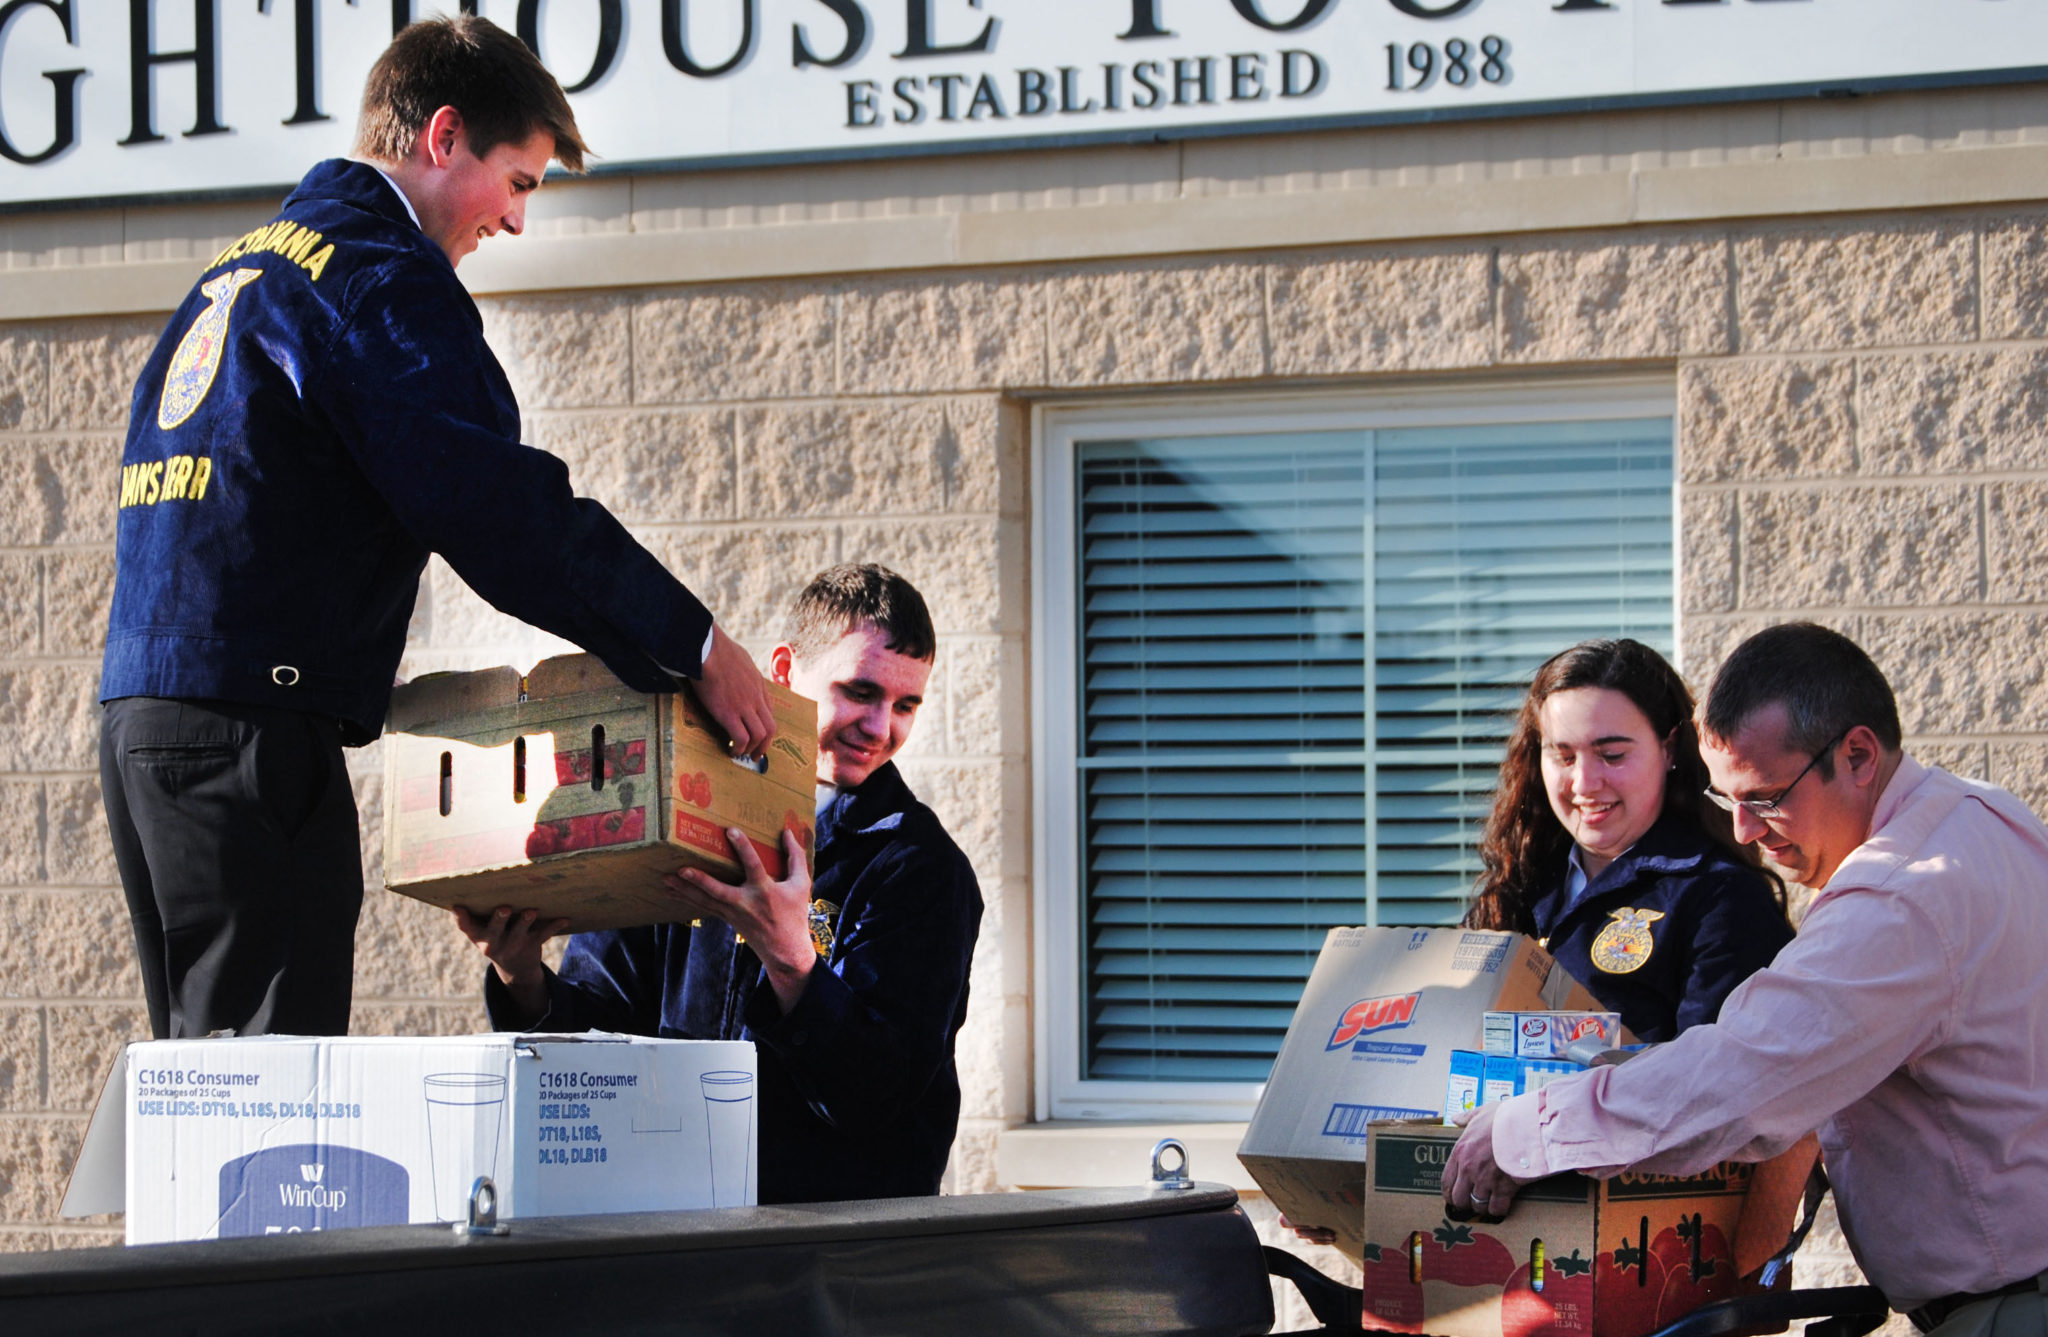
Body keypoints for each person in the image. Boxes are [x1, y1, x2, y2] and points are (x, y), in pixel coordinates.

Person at [97, 16, 775, 1043]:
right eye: (519, 182)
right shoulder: (378, 276)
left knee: (208, 1081)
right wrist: (694, 645)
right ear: (443, 135)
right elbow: (502, 513)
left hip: (148, 724)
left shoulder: (243, 272)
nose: (511, 221)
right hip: (252, 738)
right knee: (267, 1111)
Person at [1443, 623, 2048, 1335]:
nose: (1746, 831)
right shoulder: (1987, 817)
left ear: (1858, 753)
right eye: (1730, 799)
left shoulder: (1897, 896)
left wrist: (1527, 1131)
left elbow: (1738, 1083)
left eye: (1763, 797)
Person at [462, 564, 985, 1205]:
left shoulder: (920, 868)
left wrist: (793, 963)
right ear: (785, 672)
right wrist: (522, 975)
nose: (881, 728)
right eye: (860, 691)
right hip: (676, 1234)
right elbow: (601, 1040)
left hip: (840, 1265)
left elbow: (881, 1101)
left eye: (906, 705)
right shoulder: (683, 822)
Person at [1464, 639, 1792, 1042]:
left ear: (1668, 748)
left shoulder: (1721, 899)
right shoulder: (1519, 881)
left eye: (1612, 755)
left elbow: (1714, 1083)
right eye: (1564, 757)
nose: (1584, 784)